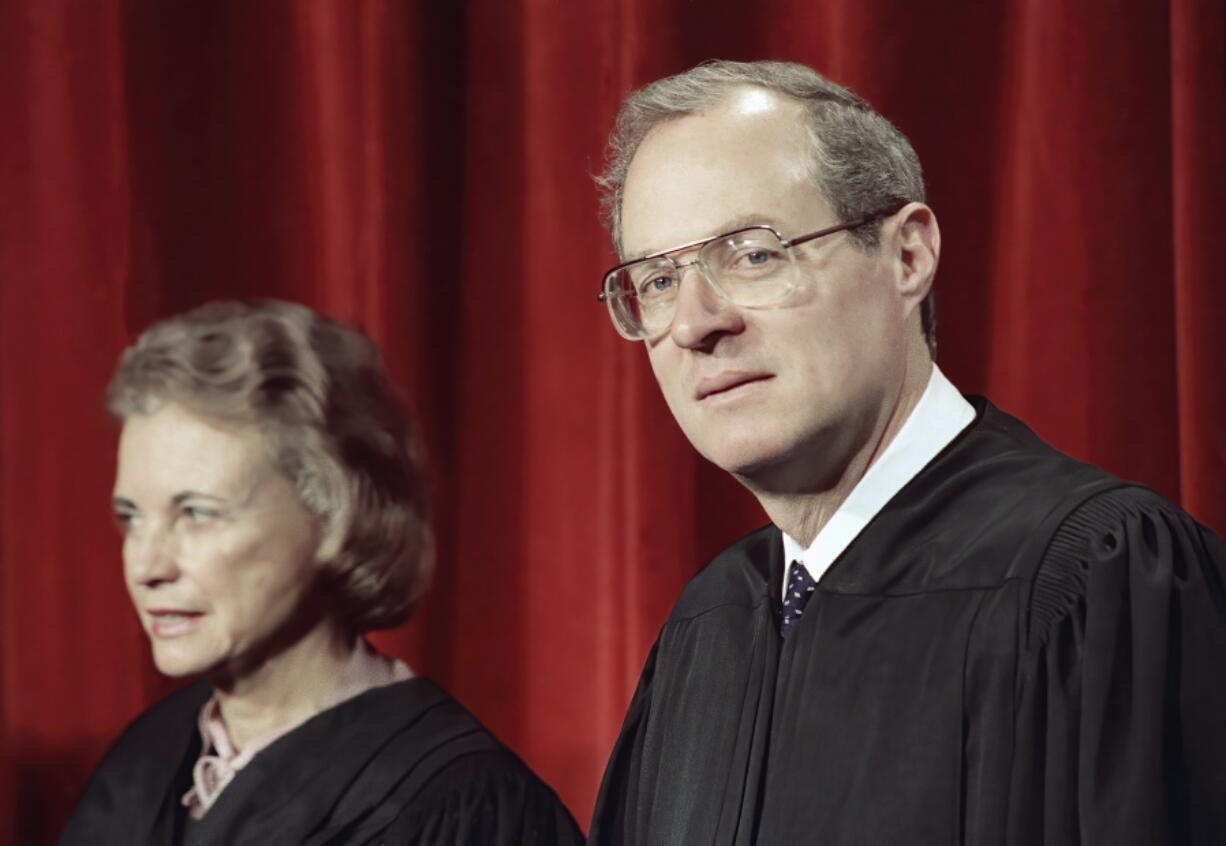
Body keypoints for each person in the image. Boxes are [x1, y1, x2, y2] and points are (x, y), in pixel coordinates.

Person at [588, 60, 1226, 845]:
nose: (693, 323)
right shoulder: (709, 628)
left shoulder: (1098, 577)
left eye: (751, 254)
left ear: (907, 256)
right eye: (654, 281)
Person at [61, 300, 582, 845]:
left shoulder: (455, 806)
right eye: (131, 518)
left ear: (332, 513)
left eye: (196, 513)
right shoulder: (147, 763)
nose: (147, 566)